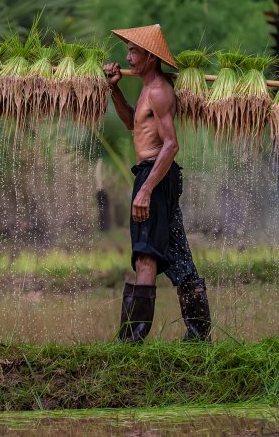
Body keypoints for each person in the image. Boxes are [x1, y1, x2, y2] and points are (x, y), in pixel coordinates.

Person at [103, 24, 212, 343]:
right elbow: (131, 123)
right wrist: (114, 89)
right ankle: (199, 335)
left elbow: (171, 145)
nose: (128, 57)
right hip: (157, 176)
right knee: (177, 255)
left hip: (154, 174)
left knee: (146, 253)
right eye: (129, 51)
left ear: (151, 57)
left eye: (134, 51)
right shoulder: (147, 89)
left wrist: (147, 190)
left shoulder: (160, 91)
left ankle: (131, 340)